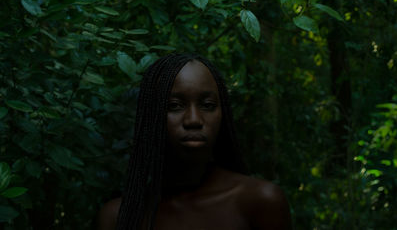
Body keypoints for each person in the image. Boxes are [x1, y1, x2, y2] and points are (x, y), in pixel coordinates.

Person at [98, 54, 292, 230]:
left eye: (207, 106)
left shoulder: (260, 202)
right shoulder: (118, 218)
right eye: (174, 106)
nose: (193, 120)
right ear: (151, 116)